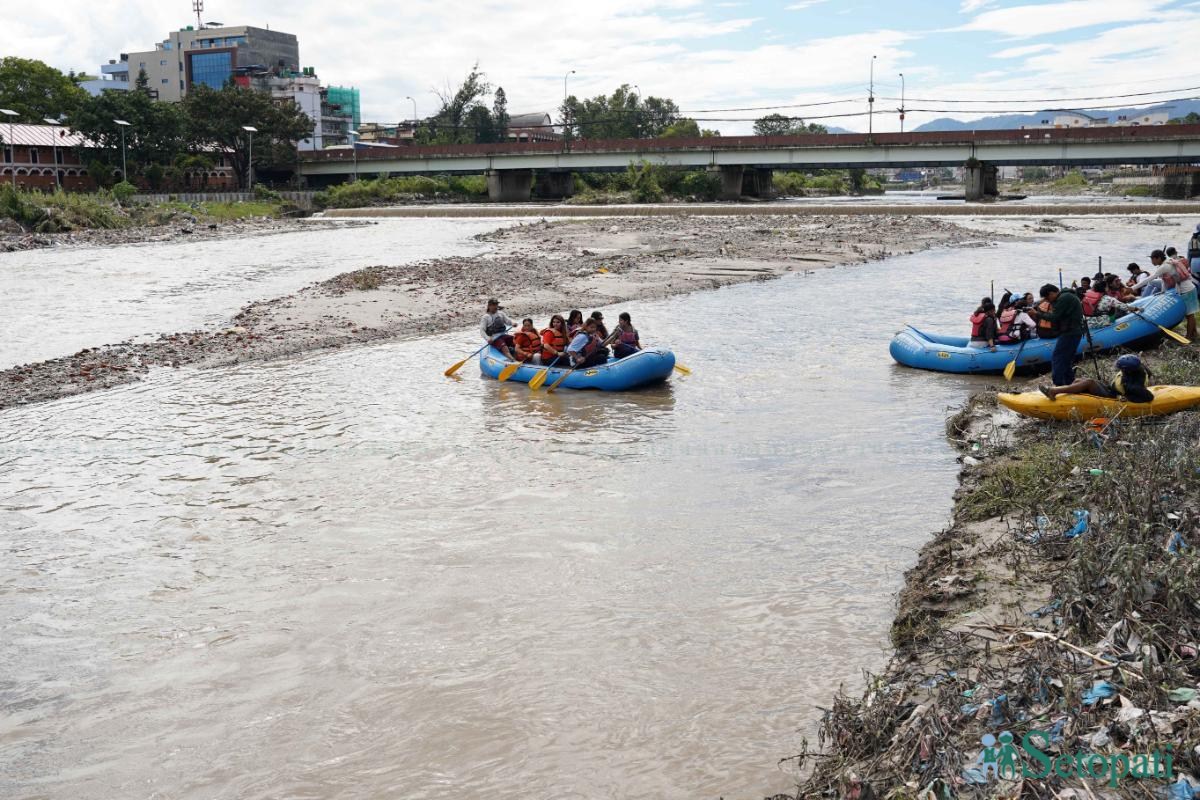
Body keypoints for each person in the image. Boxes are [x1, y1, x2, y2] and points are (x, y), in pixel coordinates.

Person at [1039, 354, 1154, 404]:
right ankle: (1071, 396)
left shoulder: (1134, 384)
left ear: (1128, 370)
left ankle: (1053, 391)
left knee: (1089, 383)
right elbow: (1150, 374)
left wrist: (1125, 398)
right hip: (1111, 390)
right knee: (1080, 380)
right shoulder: (1137, 366)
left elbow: (1149, 397)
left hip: (1114, 397)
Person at [1135, 248, 1198, 339]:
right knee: (1190, 314)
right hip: (1187, 288)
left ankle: (1188, 337)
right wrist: (1163, 292)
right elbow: (1164, 281)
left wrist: (1132, 288)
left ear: (1158, 258)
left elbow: (1150, 279)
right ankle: (1194, 333)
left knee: (1189, 315)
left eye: (1152, 258)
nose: (1151, 261)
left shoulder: (1164, 266)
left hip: (1187, 290)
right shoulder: (1169, 261)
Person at [1034, 283, 1084, 386]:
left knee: (1058, 358)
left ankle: (1058, 384)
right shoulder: (1066, 296)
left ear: (1052, 293)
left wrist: (1037, 314)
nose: (1048, 301)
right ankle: (1069, 383)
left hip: (1071, 333)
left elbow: (1054, 317)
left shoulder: (1064, 298)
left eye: (1048, 298)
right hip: (1072, 332)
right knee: (1066, 360)